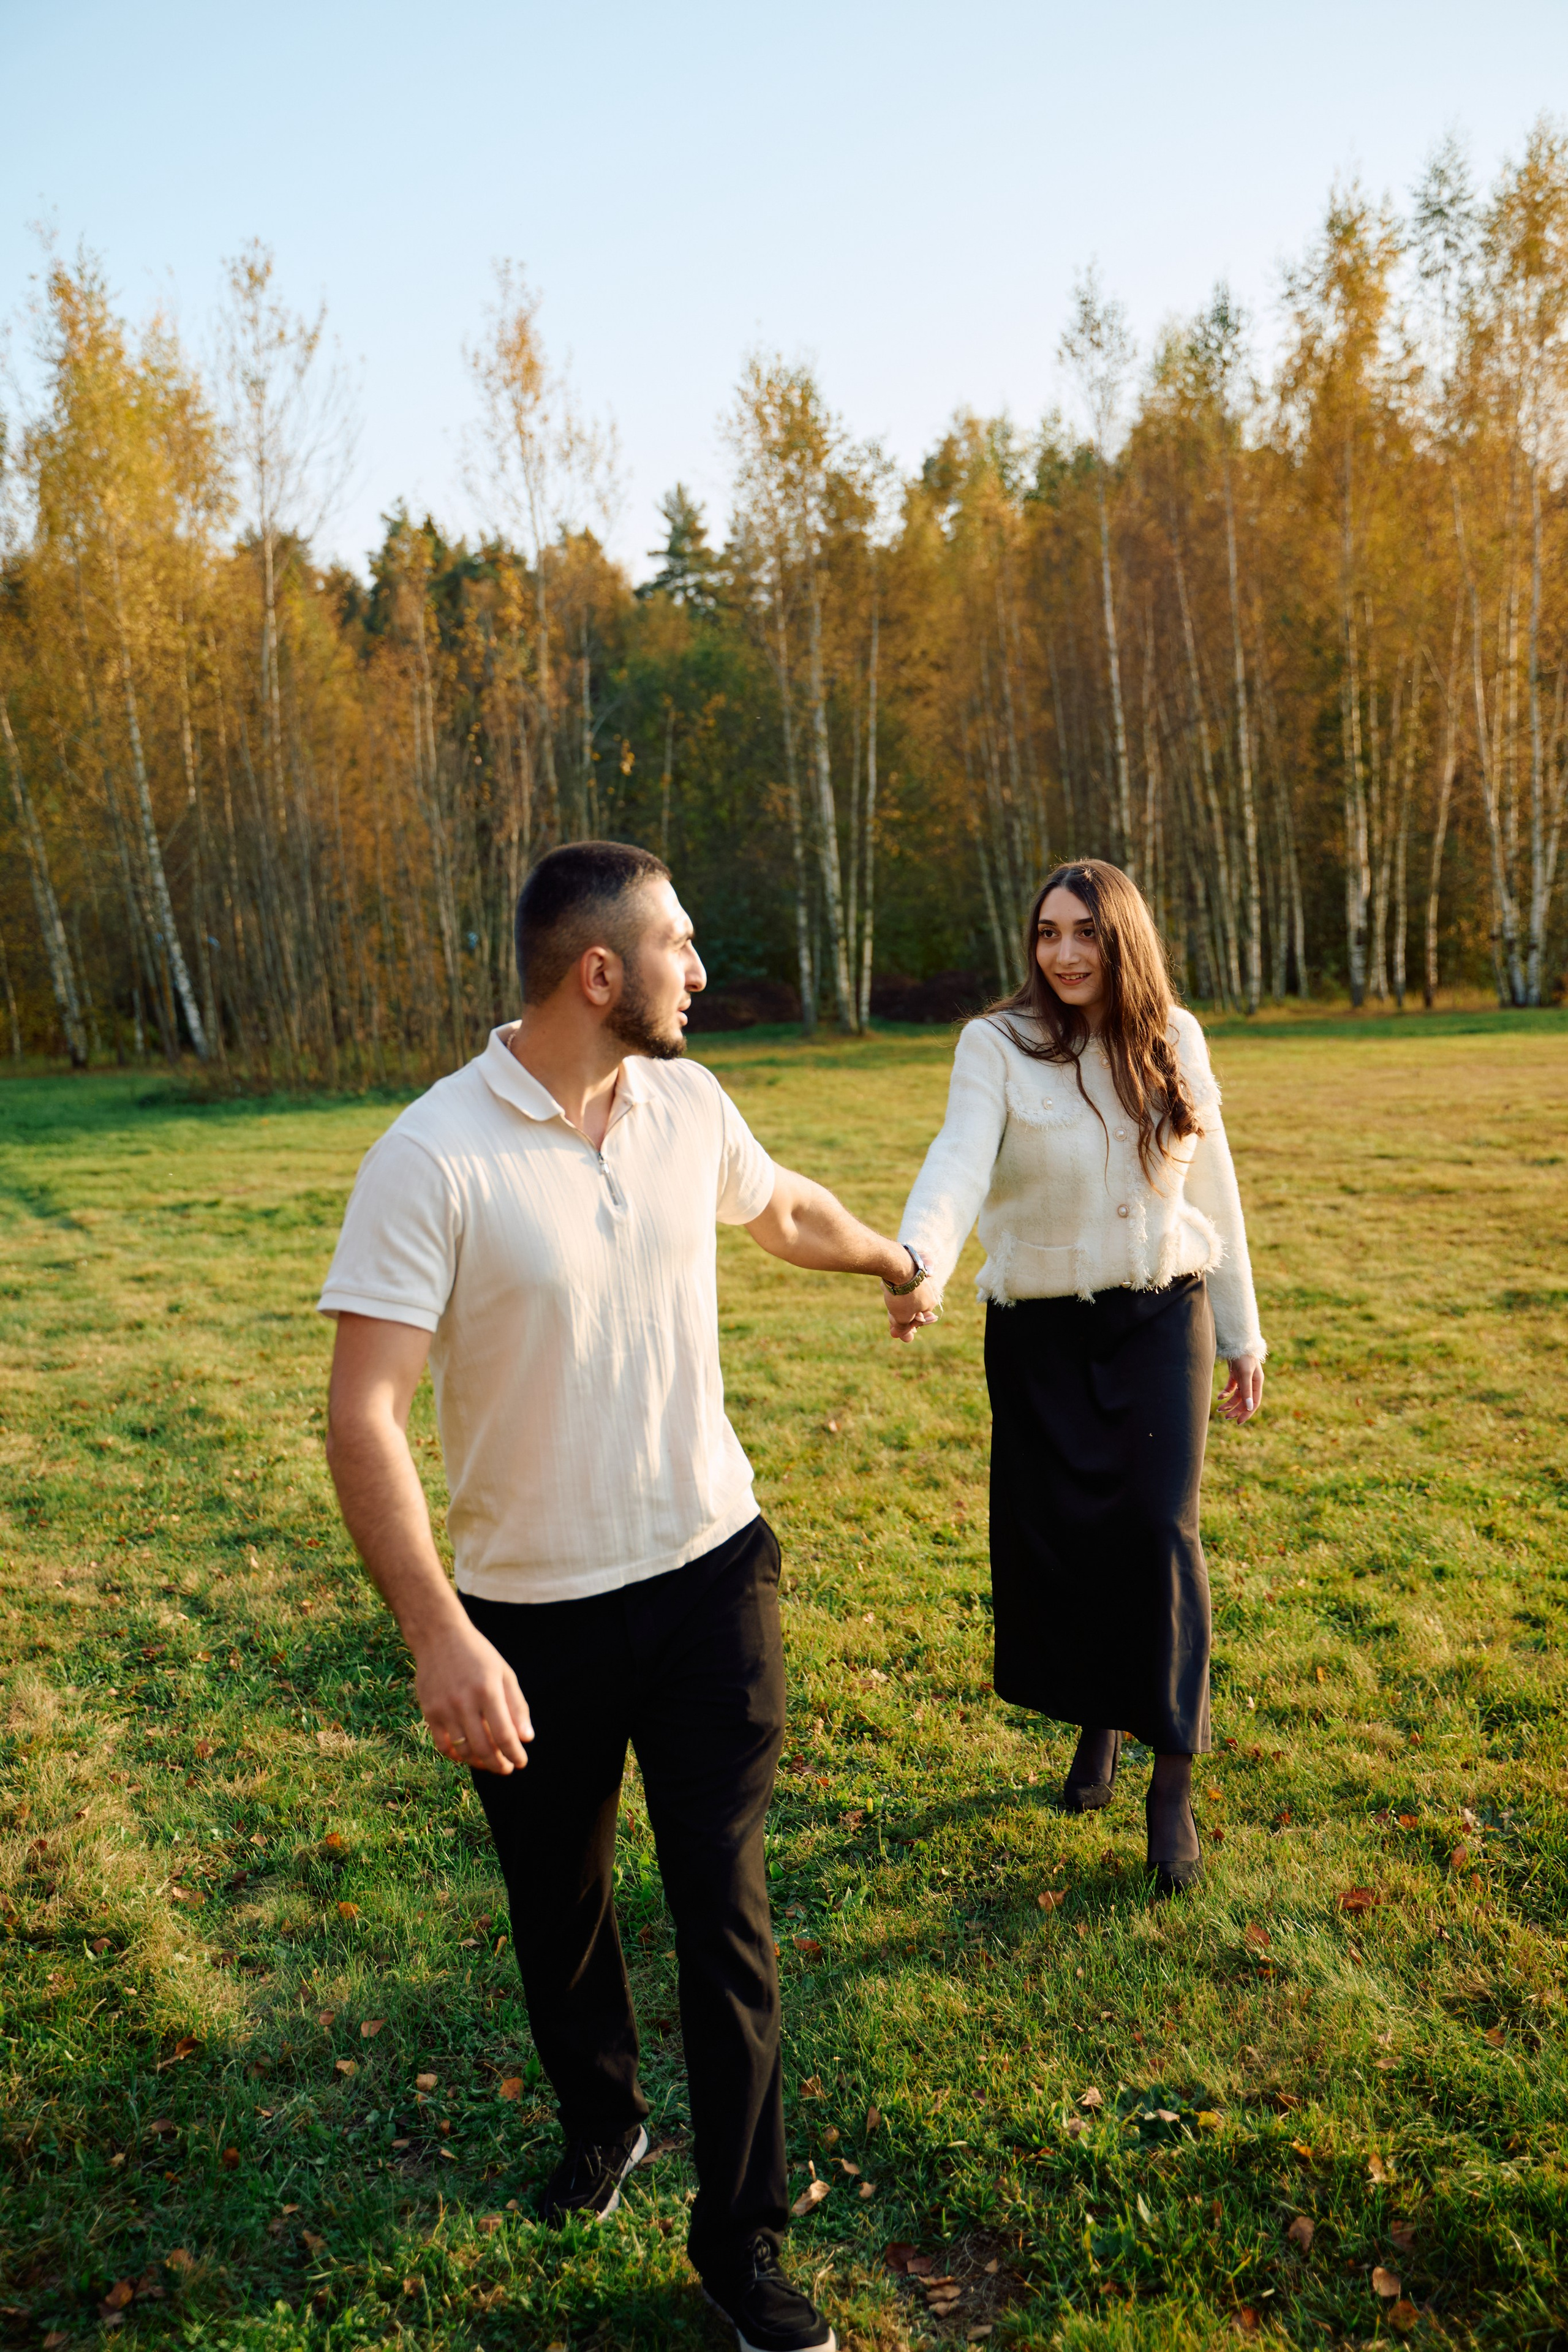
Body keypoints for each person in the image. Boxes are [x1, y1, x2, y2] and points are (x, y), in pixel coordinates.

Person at [318, 842, 928, 2352]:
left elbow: (781, 1210)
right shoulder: (431, 1155)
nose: (700, 972)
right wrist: (440, 1636)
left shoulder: (685, 1104)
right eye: (680, 946)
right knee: (561, 1906)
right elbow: (363, 1415)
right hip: (527, 1617)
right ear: (600, 973)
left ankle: (742, 2248)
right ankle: (604, 2121)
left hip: (713, 1574)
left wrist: (889, 1258)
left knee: (724, 1907)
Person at [885, 859, 1265, 1893]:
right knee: (1071, 1540)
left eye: (1086, 933)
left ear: (1121, 938)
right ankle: (1100, 1716)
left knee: (1157, 1530)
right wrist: (919, 1263)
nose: (1063, 953)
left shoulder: (1175, 1037)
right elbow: (957, 1160)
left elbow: (1216, 1185)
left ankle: (1171, 1782)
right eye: (1048, 933)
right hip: (1041, 1332)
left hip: (1161, 1315)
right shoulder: (997, 1044)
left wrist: (1244, 1333)